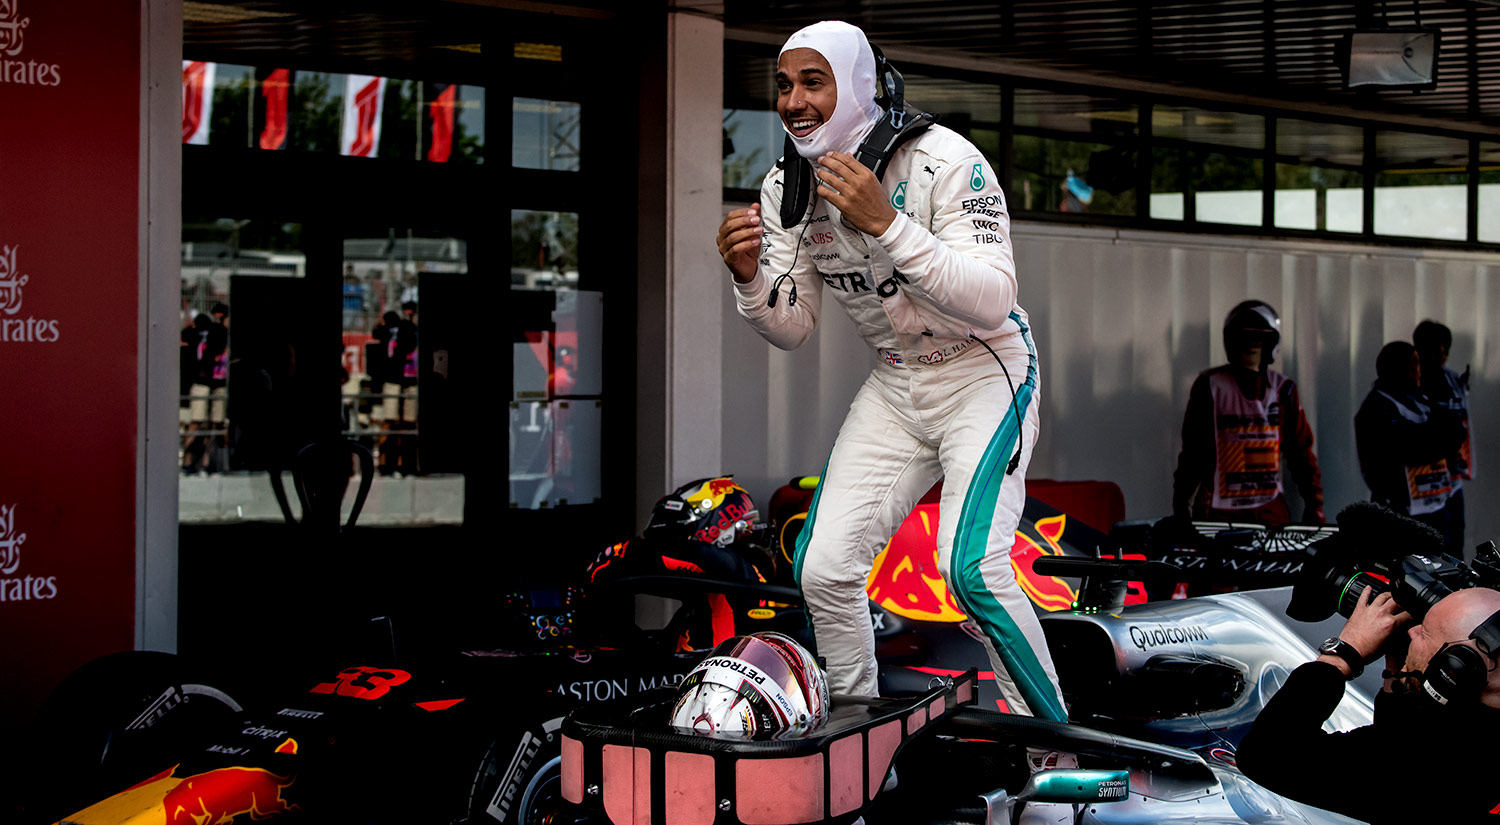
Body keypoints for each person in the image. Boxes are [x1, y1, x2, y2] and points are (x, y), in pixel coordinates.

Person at [715, 19, 1066, 728]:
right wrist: (749, 277)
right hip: (898, 381)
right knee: (822, 568)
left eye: (813, 81)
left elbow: (995, 297)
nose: (793, 101)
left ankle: (1055, 746)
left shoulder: (945, 160)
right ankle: (857, 736)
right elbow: (792, 327)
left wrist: (886, 224)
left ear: (858, 86)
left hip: (985, 369)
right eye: (783, 85)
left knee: (972, 570)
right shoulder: (787, 184)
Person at [1237, 586, 1500, 822]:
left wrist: (1344, 654)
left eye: (1425, 632)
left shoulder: (1423, 767)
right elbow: (1401, 732)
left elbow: (1267, 755)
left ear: (1455, 670)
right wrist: (1400, 670)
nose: (1411, 629)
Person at [1172, 300, 1323, 525]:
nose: (1251, 344)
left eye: (1258, 338)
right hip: (1217, 514)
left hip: (1269, 511)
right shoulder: (1210, 387)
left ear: (1270, 343)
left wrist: (1314, 506)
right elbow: (1192, 453)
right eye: (1243, 337)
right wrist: (1181, 503)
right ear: (1231, 342)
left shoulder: (1282, 390)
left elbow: (1301, 454)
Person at [1354, 341, 1466, 541]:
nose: (1419, 370)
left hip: (1437, 506)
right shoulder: (1376, 407)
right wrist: (1436, 436)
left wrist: (1434, 436)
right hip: (1400, 512)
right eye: (1414, 363)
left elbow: (1456, 432)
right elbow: (1411, 448)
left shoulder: (1421, 399)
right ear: (1398, 367)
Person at [1414, 320, 1472, 555]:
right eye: (1432, 351)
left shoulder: (1453, 381)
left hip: (1451, 483)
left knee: (1454, 544)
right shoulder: (1410, 385)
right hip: (1419, 491)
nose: (1438, 357)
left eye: (1442, 351)